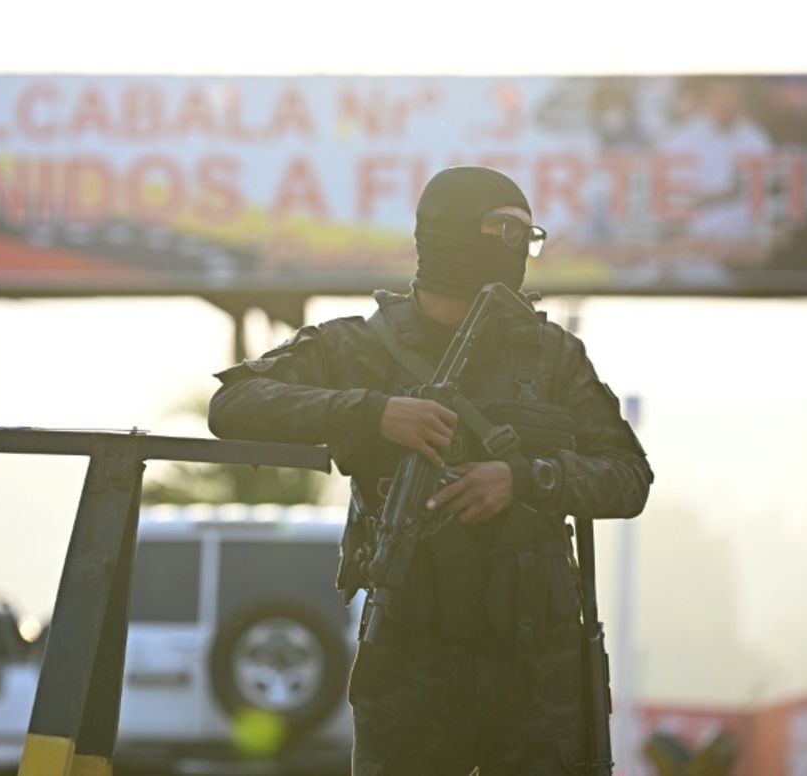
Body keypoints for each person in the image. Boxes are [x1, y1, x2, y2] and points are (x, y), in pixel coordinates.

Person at [208, 165, 653, 775]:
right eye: (505, 229)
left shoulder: (550, 356)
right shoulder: (360, 347)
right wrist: (372, 413)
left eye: (528, 233)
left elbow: (629, 476)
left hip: (535, 668)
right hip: (410, 660)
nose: (520, 248)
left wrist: (524, 478)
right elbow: (234, 404)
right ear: (449, 231)